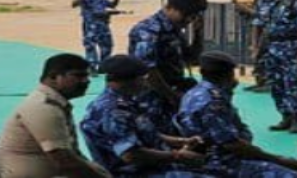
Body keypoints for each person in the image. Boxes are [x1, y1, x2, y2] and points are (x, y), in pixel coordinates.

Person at [175, 51, 297, 177]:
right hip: (221, 163)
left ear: (202, 73)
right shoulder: (213, 102)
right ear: (230, 74)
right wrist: (278, 160)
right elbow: (232, 145)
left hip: (217, 157)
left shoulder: (196, 92)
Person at [80, 55, 208, 176]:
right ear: (128, 80)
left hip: (151, 166)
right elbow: (130, 155)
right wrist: (177, 156)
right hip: (133, 172)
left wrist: (181, 141)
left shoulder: (125, 102)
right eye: (142, 79)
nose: (146, 84)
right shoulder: (114, 111)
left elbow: (147, 133)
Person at [0, 53, 111, 178]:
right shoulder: (43, 107)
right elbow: (65, 162)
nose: (86, 81)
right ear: (53, 77)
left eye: (87, 76)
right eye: (79, 76)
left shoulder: (52, 102)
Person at [128, 0, 207, 133]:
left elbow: (191, 58)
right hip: (152, 98)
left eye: (193, 16)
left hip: (172, 93)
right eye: (186, 15)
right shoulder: (148, 30)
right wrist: (172, 97)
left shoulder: (174, 29)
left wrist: (198, 34)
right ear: (170, 8)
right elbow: (148, 71)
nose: (189, 20)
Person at [252, 0, 297, 133]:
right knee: (276, 84)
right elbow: (257, 25)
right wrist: (255, 46)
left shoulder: (295, 3)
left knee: (293, 83)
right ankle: (285, 116)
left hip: (290, 46)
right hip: (270, 47)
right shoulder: (263, 2)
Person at [72, 0, 122, 72]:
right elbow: (73, 4)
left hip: (103, 24)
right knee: (90, 46)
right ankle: (92, 67)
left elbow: (111, 5)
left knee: (107, 45)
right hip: (91, 25)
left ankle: (103, 66)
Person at [232, 0, 270, 93]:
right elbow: (251, 17)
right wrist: (240, 9)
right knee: (258, 58)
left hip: (267, 33)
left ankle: (268, 83)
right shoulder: (257, 1)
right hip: (256, 32)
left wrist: (246, 9)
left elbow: (262, 16)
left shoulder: (268, 0)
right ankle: (260, 82)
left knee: (264, 57)